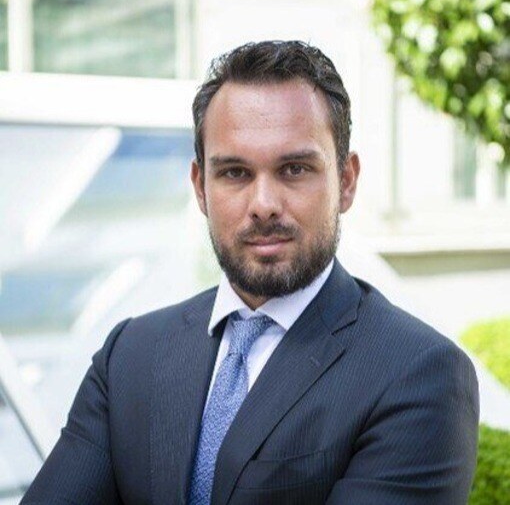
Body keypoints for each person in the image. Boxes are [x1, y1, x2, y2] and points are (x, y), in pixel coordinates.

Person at [22, 40, 479, 505]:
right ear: (201, 187)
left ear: (346, 182)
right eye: (235, 173)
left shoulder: (418, 374)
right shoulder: (130, 356)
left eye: (294, 169)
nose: (263, 205)